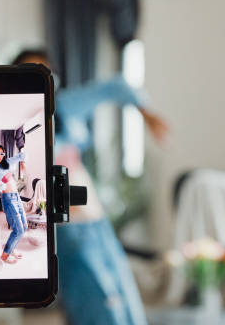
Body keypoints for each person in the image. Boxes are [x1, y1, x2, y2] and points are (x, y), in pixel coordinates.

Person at [13, 49, 168, 324]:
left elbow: (117, 86)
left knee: (121, 297)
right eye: (29, 74)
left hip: (94, 223)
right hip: (63, 231)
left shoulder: (65, 107)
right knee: (95, 303)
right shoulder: (11, 125)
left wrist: (147, 114)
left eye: (45, 73)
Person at [0, 145, 27, 264]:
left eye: (1, 153)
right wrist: (0, 182)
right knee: (19, 230)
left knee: (24, 226)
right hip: (8, 198)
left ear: (4, 155)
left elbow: (22, 155)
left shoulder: (8, 162)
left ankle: (12, 248)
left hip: (17, 197)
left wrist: (23, 163)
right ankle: (4, 256)